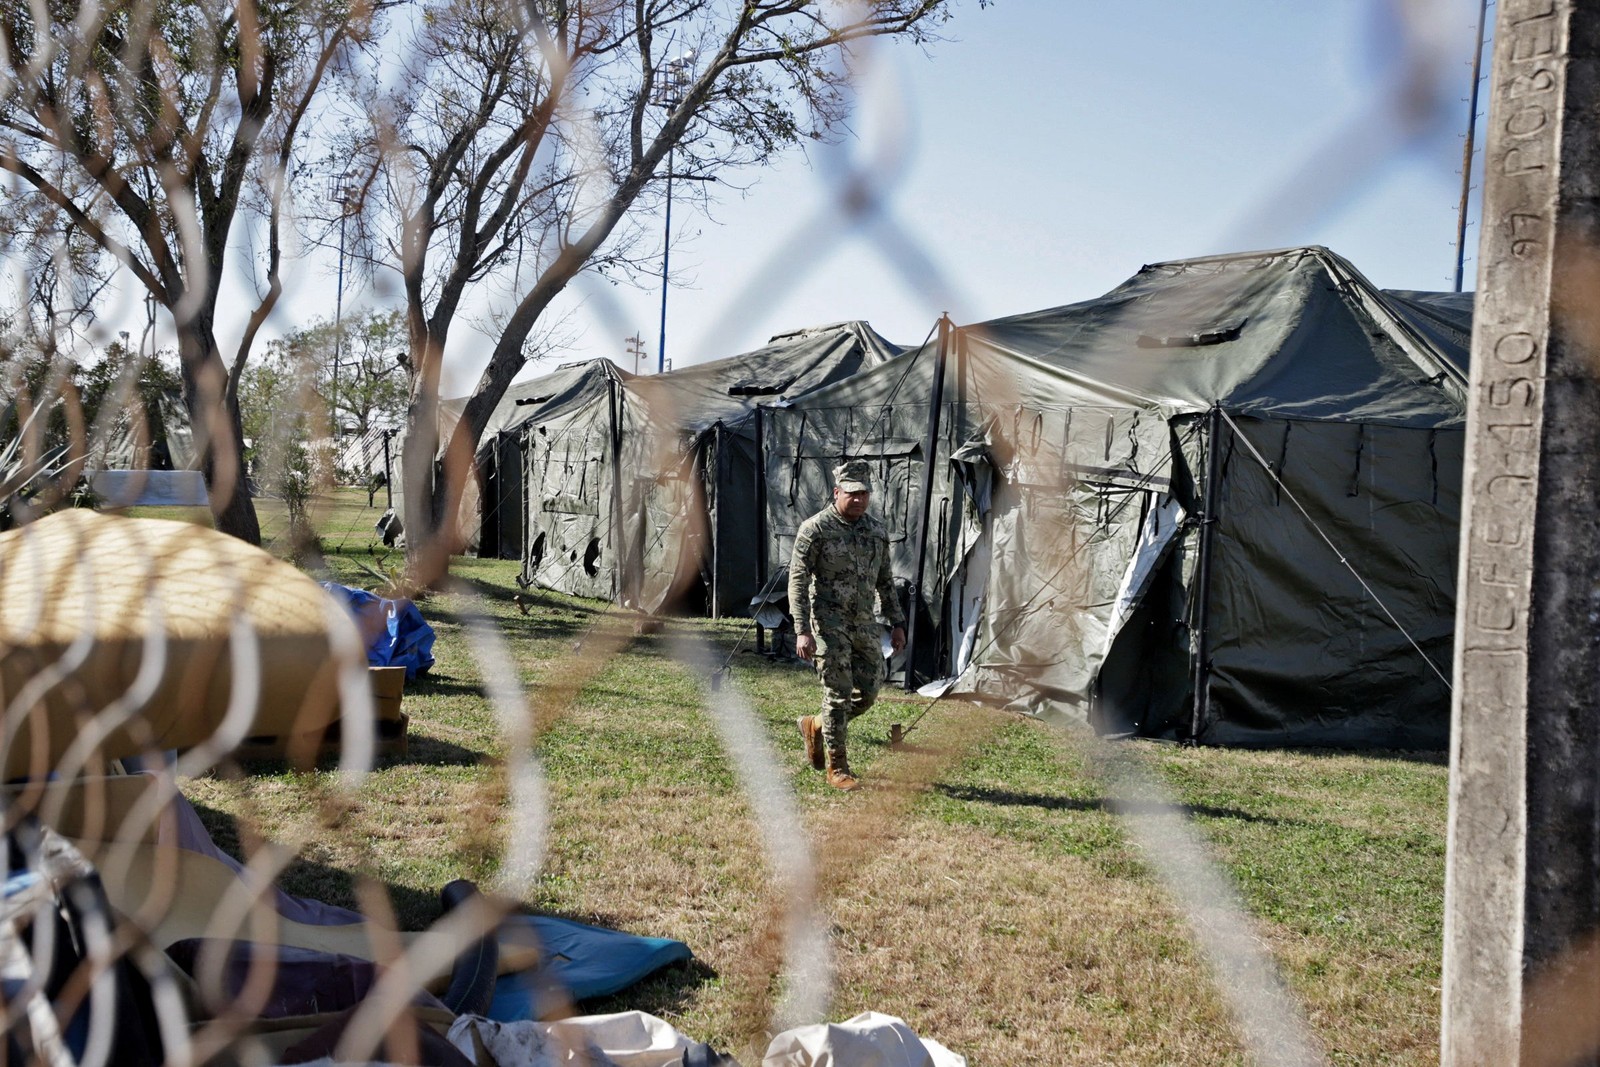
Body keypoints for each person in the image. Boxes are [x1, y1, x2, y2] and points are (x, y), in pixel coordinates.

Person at [787, 459, 907, 791]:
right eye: (852, 494)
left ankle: (815, 725)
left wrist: (897, 623)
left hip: (864, 622)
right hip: (828, 622)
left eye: (864, 494)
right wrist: (802, 630)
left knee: (868, 691)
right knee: (837, 693)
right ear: (836, 492)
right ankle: (838, 768)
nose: (859, 500)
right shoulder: (815, 530)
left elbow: (885, 581)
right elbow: (797, 582)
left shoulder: (876, 531)